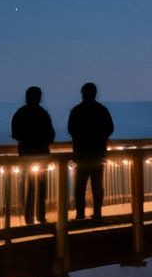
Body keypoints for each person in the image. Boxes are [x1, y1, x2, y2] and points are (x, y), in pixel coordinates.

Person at [66, 82, 115, 221]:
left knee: (80, 186)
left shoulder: (77, 110)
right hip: (98, 153)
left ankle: (80, 213)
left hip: (81, 153)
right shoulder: (102, 110)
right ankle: (97, 213)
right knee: (97, 185)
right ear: (95, 93)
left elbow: (71, 129)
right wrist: (100, 137)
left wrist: (80, 138)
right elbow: (110, 128)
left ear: (83, 93)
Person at [9, 86, 56, 223]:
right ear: (39, 97)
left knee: (28, 187)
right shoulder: (43, 114)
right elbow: (51, 135)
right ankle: (41, 216)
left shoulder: (20, 113)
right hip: (42, 154)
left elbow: (15, 133)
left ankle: (28, 217)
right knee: (41, 187)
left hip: (26, 154)